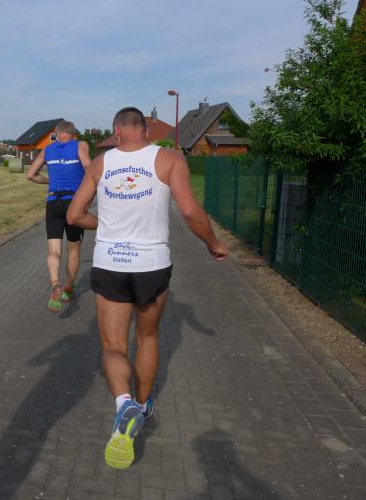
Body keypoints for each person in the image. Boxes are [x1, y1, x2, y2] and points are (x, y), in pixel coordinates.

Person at [67, 107, 228, 469]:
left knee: (113, 346)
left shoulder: (100, 163)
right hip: (151, 265)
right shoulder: (170, 159)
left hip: (110, 263)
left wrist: (105, 225)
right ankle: (141, 406)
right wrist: (214, 243)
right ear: (145, 130)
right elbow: (190, 212)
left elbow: (74, 215)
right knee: (148, 337)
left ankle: (122, 403)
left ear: (117, 132)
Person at [26, 120, 91, 313]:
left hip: (53, 202)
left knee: (54, 251)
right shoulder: (80, 145)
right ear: (73, 133)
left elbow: (30, 175)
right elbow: (88, 165)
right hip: (74, 203)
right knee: (74, 248)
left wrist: (50, 181)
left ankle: (55, 283)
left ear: (56, 133)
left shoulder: (47, 149)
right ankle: (68, 289)